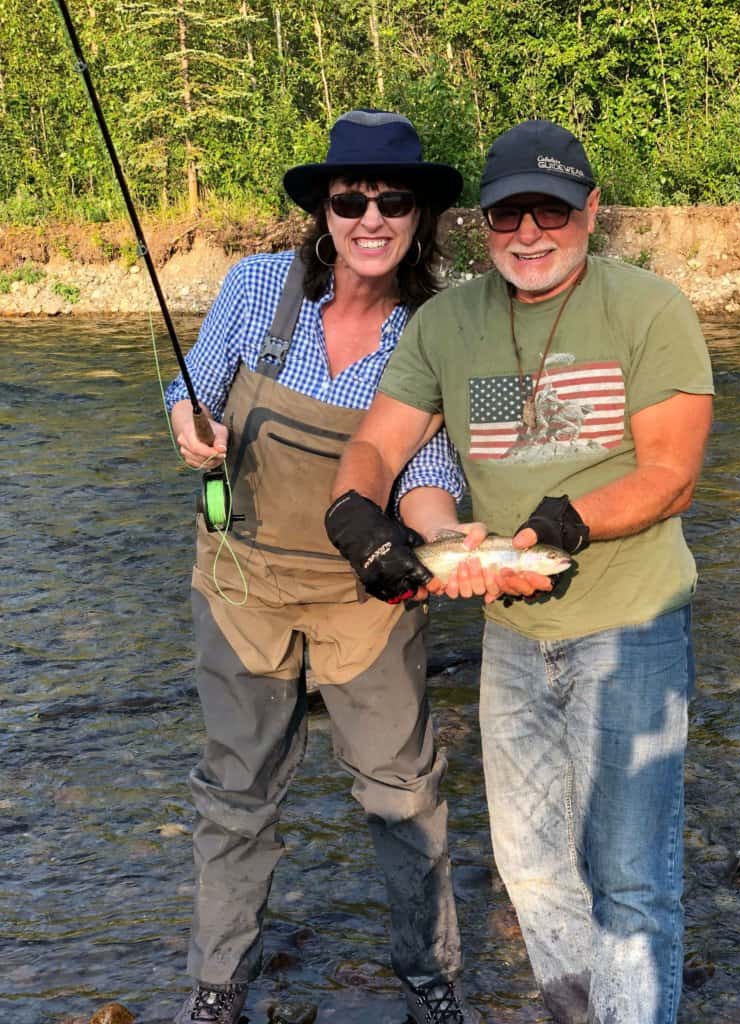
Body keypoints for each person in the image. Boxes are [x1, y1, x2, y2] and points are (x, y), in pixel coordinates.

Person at [326, 119, 714, 1024]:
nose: (530, 234)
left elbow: (672, 476)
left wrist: (567, 520)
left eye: (551, 211)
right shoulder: (446, 323)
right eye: (508, 217)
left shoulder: (650, 309)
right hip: (510, 636)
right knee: (532, 867)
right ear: (480, 224)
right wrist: (359, 523)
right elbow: (375, 449)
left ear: (591, 211)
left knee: (629, 879)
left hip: (633, 628)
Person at [165, 109, 485, 1024]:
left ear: (420, 215)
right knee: (235, 790)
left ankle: (430, 981)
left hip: (370, 594)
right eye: (352, 200)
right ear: (325, 211)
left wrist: (445, 534)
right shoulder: (256, 286)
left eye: (393, 200)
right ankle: (219, 983)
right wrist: (188, 426)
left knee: (404, 794)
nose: (371, 218)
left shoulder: (436, 327)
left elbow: (424, 465)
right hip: (241, 585)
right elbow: (189, 384)